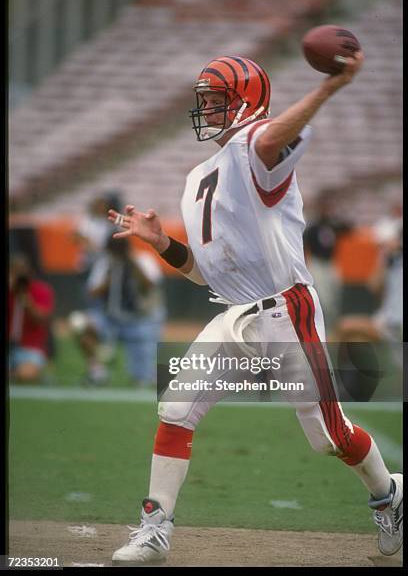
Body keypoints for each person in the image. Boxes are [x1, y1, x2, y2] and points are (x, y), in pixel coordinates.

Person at [108, 53, 402, 564]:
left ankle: (389, 494)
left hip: (288, 309)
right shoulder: (199, 174)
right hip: (235, 312)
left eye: (217, 101)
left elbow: (266, 141)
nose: (208, 111)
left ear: (247, 103)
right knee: (176, 408)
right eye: (204, 102)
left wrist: (332, 85)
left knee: (327, 436)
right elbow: (204, 271)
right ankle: (154, 530)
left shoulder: (255, 146)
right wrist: (160, 243)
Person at [71, 235, 166, 386]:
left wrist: (133, 267)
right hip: (110, 319)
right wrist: (110, 279)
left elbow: (151, 286)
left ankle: (147, 367)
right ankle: (97, 371)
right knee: (80, 323)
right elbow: (92, 292)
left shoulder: (143, 259)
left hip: (138, 322)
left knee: (142, 379)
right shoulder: (106, 263)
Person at [303, 190, 352, 335]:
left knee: (335, 295)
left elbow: (349, 228)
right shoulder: (313, 226)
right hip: (318, 264)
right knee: (324, 297)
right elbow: (305, 245)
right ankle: (323, 329)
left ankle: (333, 328)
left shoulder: (333, 224)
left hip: (331, 263)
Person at [8, 253, 55, 383]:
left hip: (30, 347)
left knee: (26, 374)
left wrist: (28, 303)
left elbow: (43, 319)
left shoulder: (40, 290)